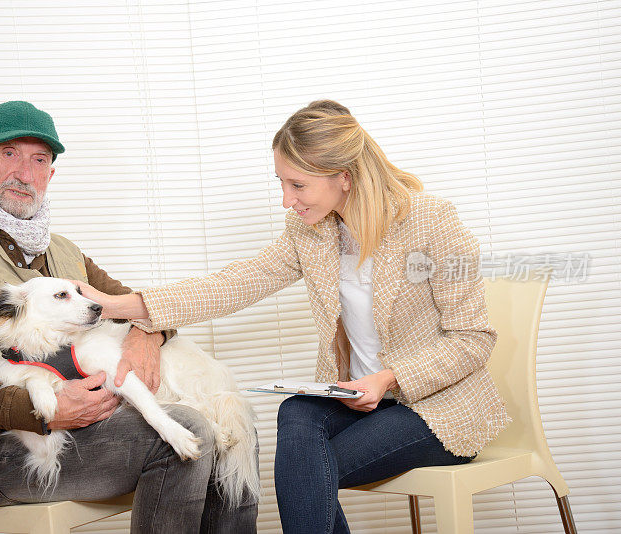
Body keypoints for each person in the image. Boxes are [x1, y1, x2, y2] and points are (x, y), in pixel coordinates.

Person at [75, 100, 511, 533]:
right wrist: (115, 306)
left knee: (305, 471)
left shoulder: (431, 222)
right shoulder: (313, 230)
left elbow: (472, 339)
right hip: (357, 402)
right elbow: (234, 283)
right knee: (297, 414)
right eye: (282, 183)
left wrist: (387, 378)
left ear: (345, 176)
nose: (287, 201)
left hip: (434, 409)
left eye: (297, 185)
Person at [0, 101, 258, 533]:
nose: (24, 172)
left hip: (78, 427)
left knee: (232, 419)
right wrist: (41, 410)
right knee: (184, 428)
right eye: (9, 153)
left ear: (50, 175)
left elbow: (138, 306)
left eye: (39, 159)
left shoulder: (62, 251)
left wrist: (145, 338)